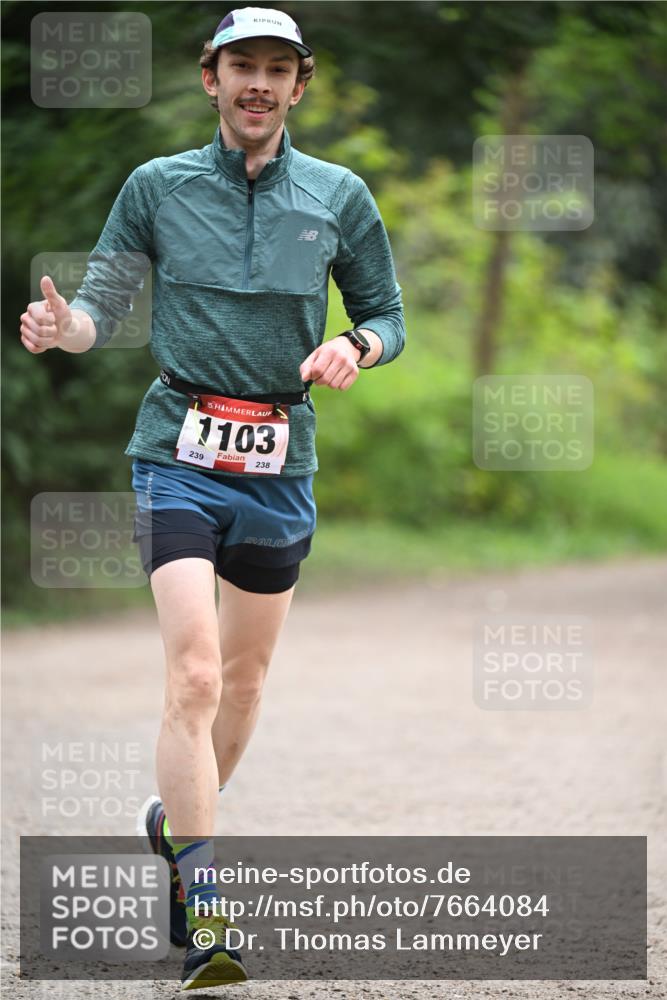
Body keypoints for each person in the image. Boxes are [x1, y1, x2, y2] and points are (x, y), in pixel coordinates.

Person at [19, 6, 405, 990]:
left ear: (299, 85)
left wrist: (354, 345)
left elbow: (387, 313)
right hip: (178, 448)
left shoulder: (337, 194)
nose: (259, 84)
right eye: (243, 66)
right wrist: (67, 329)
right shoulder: (157, 186)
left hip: (281, 457)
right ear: (210, 77)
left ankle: (176, 821)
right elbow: (101, 305)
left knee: (242, 684)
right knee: (192, 677)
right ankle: (206, 909)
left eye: (279, 69)